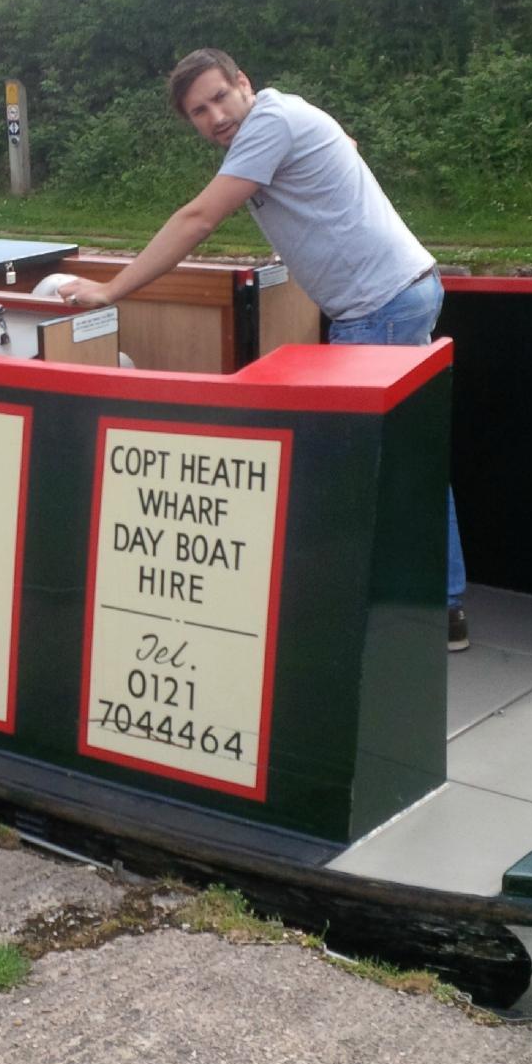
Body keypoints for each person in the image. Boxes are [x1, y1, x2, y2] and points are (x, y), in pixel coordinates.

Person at [57, 48, 469, 650]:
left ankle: (372, 617)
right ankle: (444, 606)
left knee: (365, 468)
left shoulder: (269, 123)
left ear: (243, 84)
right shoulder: (285, 115)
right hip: (395, 295)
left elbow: (199, 218)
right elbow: (343, 147)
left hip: (376, 307)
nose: (215, 116)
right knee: (409, 457)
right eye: (198, 111)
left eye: (220, 97)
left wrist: (111, 290)